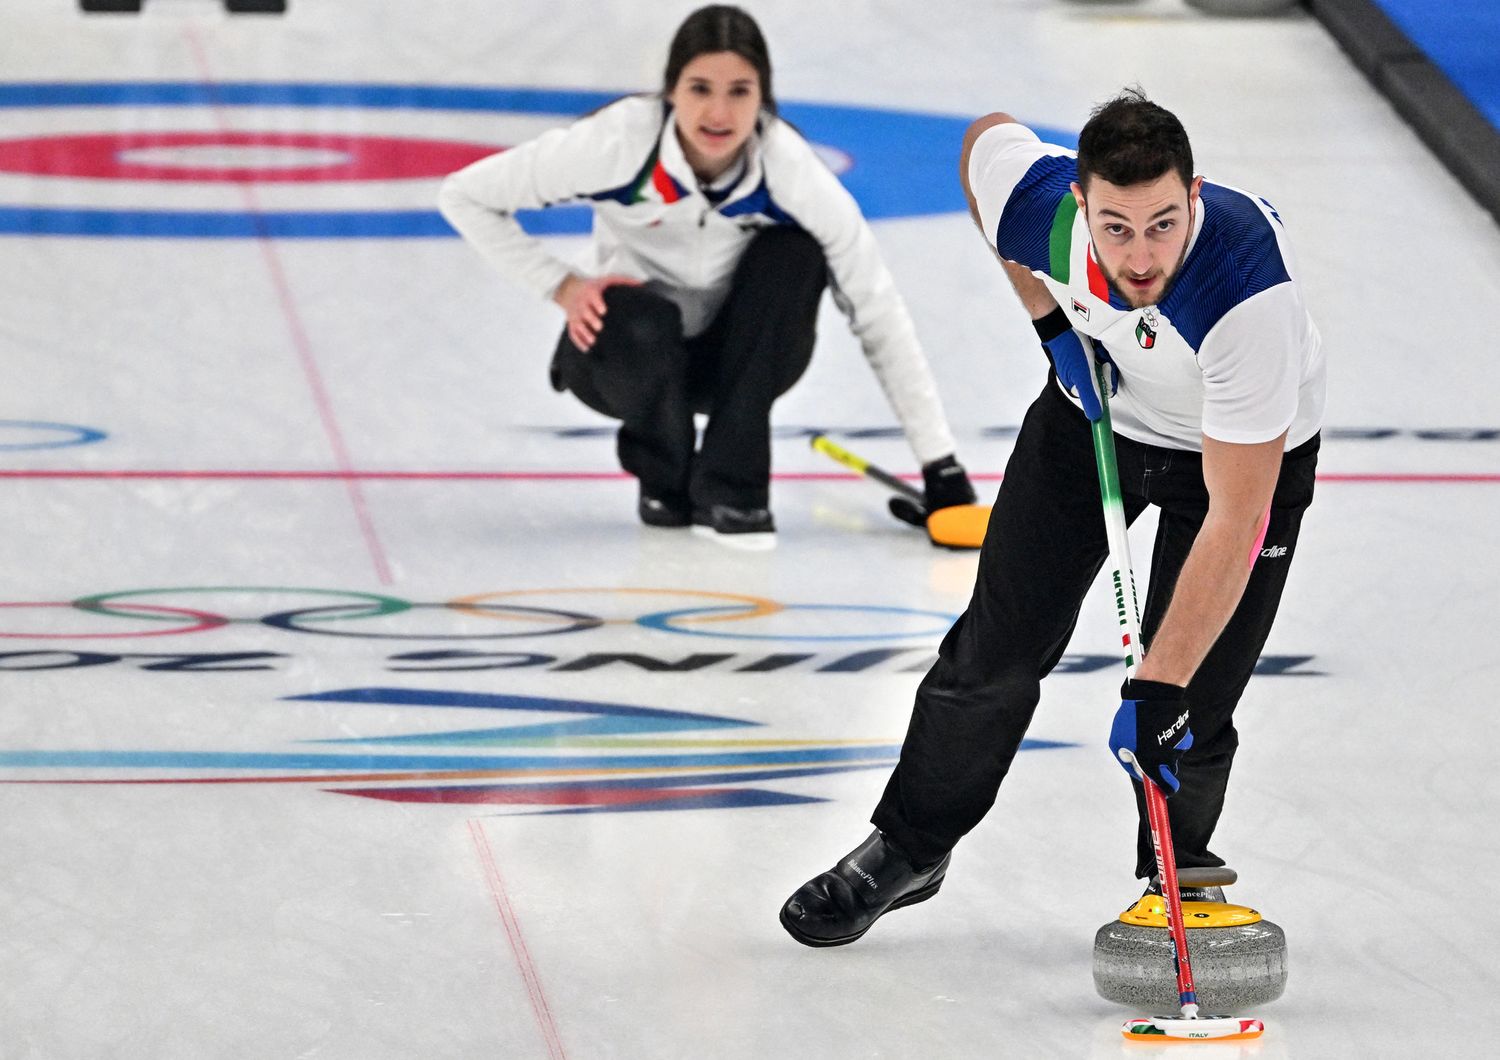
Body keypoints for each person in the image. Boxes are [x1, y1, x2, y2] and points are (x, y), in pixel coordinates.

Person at [780, 88, 1324, 945]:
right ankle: (911, 847)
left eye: (1161, 224)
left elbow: (1236, 519)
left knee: (1196, 694)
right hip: (1094, 415)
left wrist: (1157, 686)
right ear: (1079, 204)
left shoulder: (1247, 296)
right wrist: (1051, 327)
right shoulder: (1045, 217)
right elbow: (982, 140)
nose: (1140, 256)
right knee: (994, 645)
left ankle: (1173, 881)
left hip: (1235, 461)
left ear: (1195, 195)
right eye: (1115, 226)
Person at [438, 5, 975, 549]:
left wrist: (941, 466)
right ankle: (664, 480)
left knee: (796, 254)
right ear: (671, 91)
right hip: (625, 354)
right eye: (699, 88)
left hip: (738, 363)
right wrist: (563, 286)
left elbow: (876, 307)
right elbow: (464, 194)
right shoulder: (616, 143)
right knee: (641, 317)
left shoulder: (788, 169)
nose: (718, 112)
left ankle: (732, 490)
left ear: (762, 97)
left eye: (739, 91)